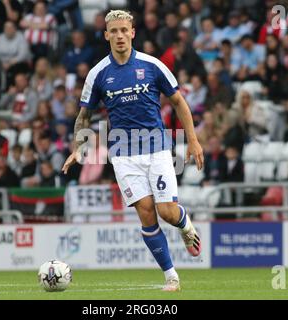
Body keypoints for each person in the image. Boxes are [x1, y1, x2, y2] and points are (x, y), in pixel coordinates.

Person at [61, 10, 204, 292]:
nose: (119, 36)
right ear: (106, 36)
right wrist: (78, 148)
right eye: (113, 31)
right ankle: (171, 276)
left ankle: (186, 225)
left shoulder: (152, 65)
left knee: (167, 212)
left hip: (157, 148)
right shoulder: (98, 74)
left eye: (124, 30)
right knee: (147, 213)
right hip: (124, 155)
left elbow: (179, 102)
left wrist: (193, 140)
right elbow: (84, 116)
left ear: (133, 33)